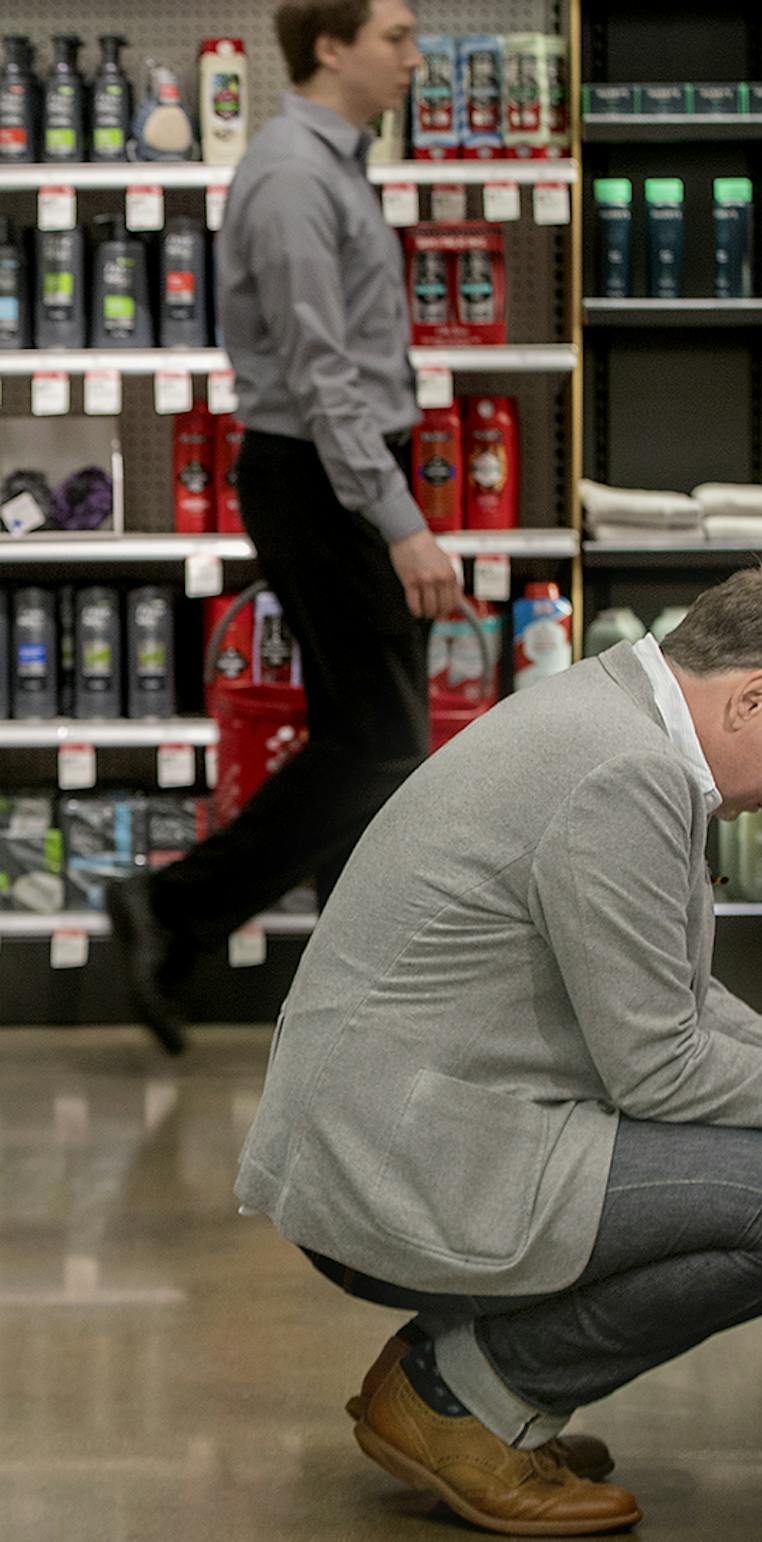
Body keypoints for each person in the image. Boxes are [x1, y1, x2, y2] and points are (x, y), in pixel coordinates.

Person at [234, 568, 762, 1536]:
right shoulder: (624, 772)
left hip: (402, 1129)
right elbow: (658, 1064)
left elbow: (677, 998)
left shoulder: (607, 714)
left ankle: (465, 1376)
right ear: (751, 695)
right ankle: (459, 1398)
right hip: (397, 1159)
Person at [106, 0, 459, 1055]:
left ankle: (341, 993)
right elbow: (321, 380)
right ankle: (172, 906)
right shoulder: (297, 176)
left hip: (337, 475)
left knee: (361, 736)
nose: (412, 54)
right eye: (394, 36)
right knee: (385, 744)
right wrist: (399, 522)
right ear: (330, 47)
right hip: (322, 479)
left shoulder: (333, 163)